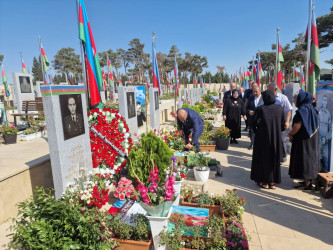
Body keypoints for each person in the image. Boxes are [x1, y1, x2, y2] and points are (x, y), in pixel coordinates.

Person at [250, 90, 285, 189]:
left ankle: (264, 181)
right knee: (274, 159)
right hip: (276, 138)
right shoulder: (280, 109)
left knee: (262, 159)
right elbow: (282, 125)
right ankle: (272, 182)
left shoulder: (260, 109)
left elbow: (253, 125)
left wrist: (258, 132)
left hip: (262, 139)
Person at [288, 91, 320, 190]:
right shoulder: (312, 109)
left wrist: (291, 133)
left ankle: (307, 184)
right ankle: (307, 180)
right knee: (309, 159)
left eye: (295, 99)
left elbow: (297, 126)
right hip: (312, 140)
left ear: (301, 99)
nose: (293, 101)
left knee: (304, 160)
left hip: (303, 141)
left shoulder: (301, 111)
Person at [267, 83, 293, 162]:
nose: (268, 92)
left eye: (269, 90)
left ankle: (283, 155)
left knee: (282, 140)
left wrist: (287, 121)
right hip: (270, 124)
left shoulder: (283, 98)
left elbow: (288, 110)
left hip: (281, 123)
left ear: (275, 90)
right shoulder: (266, 97)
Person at [246, 85, 263, 150]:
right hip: (252, 118)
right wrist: (248, 111)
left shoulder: (264, 98)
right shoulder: (251, 98)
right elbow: (246, 107)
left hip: (261, 118)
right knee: (251, 131)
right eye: (253, 92)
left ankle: (259, 144)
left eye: (256, 91)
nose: (255, 93)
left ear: (260, 91)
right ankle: (252, 144)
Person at [318, 95, 331, 172]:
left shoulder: (328, 114)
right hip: (318, 140)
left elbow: (330, 128)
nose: (324, 102)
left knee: (326, 161)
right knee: (317, 159)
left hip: (326, 141)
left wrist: (326, 138)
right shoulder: (318, 112)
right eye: (323, 100)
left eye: (326, 100)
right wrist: (318, 137)